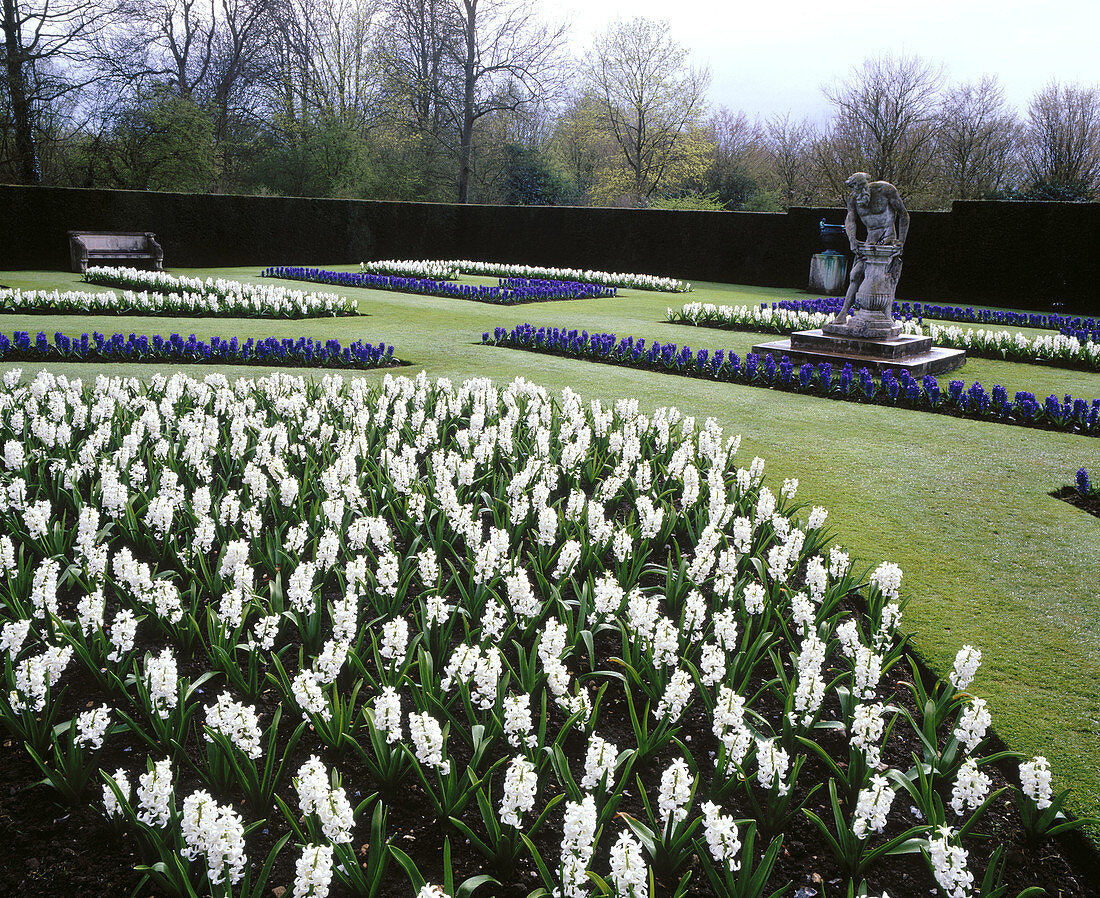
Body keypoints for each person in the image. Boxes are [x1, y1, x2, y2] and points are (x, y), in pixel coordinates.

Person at [832, 172, 910, 325]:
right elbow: (850, 219)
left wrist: (901, 241)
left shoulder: (885, 190)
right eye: (853, 188)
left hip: (888, 240)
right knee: (855, 275)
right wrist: (852, 240)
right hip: (869, 243)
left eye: (857, 187)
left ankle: (887, 316)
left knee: (886, 279)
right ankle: (843, 314)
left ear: (863, 184)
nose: (855, 191)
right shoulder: (854, 199)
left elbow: (904, 215)